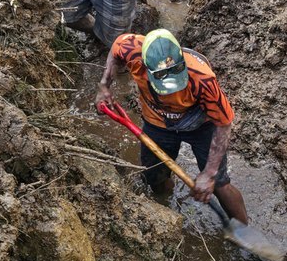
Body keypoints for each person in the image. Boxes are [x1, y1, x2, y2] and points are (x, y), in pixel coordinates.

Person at [96, 29, 250, 225]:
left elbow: (224, 124)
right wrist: (104, 86)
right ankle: (167, 209)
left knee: (219, 184)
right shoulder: (131, 49)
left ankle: (243, 230)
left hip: (201, 125)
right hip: (157, 122)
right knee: (153, 176)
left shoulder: (202, 78)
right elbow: (115, 49)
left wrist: (209, 173)